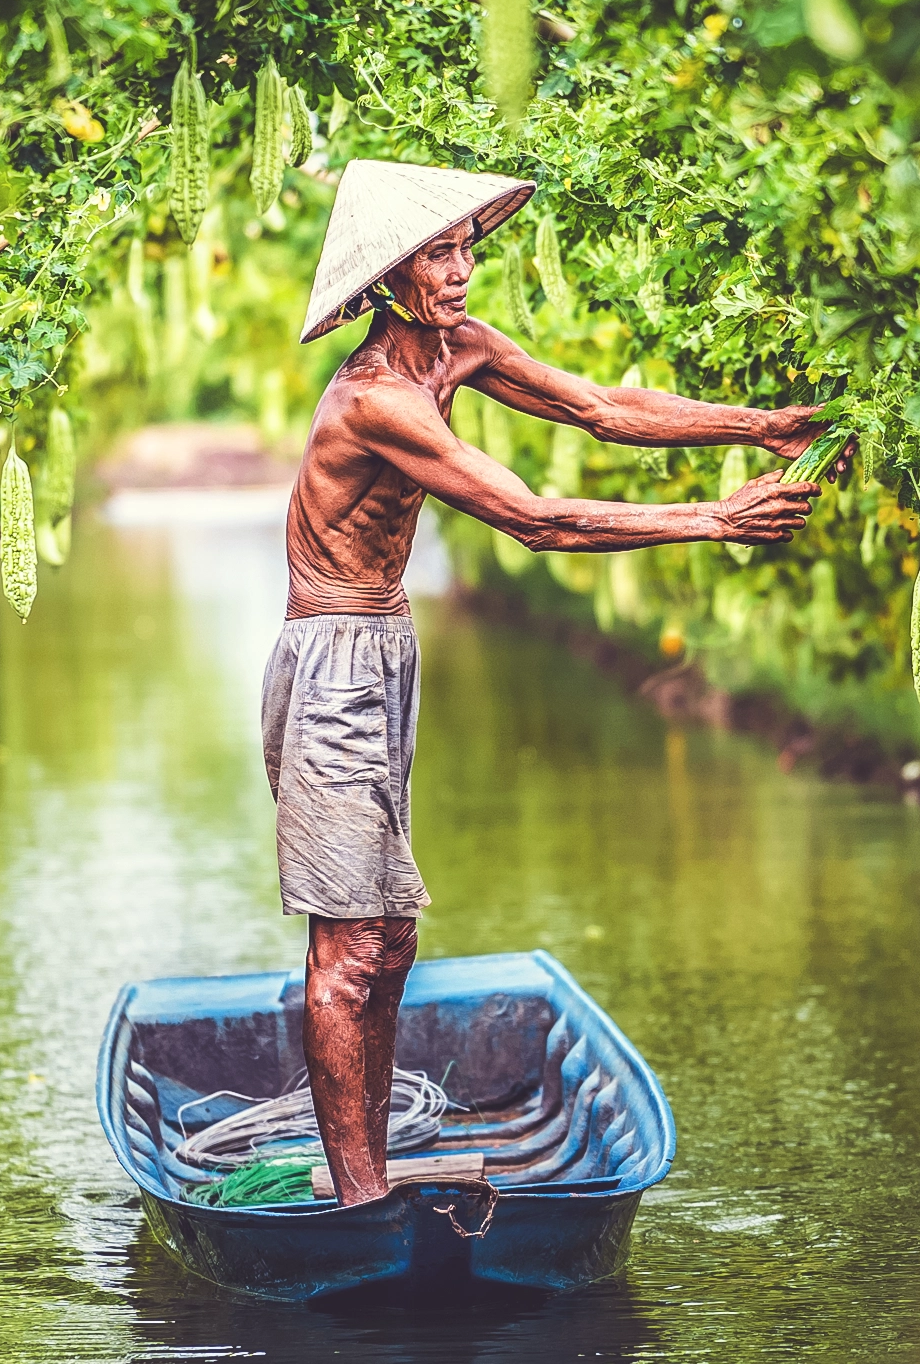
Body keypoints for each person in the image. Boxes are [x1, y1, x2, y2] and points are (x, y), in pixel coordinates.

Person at [266, 159, 836, 1206]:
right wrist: (712, 519)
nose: (462, 268)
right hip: (329, 661)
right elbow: (533, 517)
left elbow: (602, 408)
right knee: (352, 945)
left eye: (465, 246)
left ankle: (369, 1180)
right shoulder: (373, 400)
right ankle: (360, 1205)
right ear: (389, 281)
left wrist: (757, 424)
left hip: (386, 649)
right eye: (438, 253)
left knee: (392, 935)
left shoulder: (457, 350)